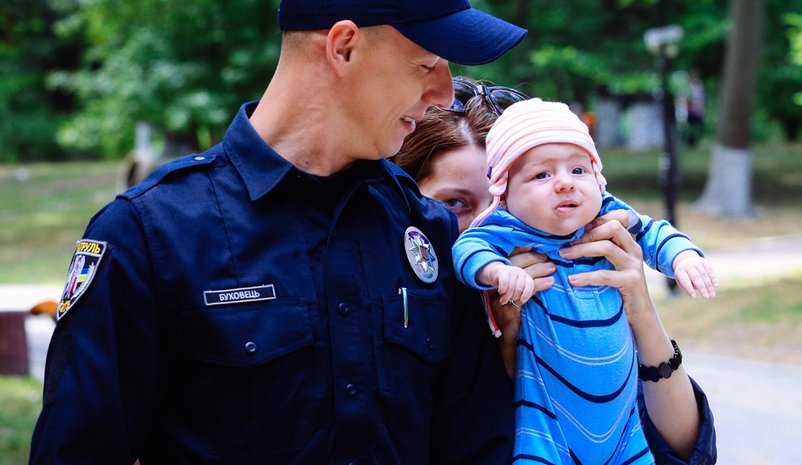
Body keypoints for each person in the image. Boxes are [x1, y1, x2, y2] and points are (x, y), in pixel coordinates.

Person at [29, 1, 528, 464]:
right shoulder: (148, 233)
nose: (443, 93)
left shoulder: (427, 228)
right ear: (343, 46)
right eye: (426, 65)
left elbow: (476, 445)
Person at [392, 79, 718, 465]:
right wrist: (507, 350)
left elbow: (683, 452)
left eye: (503, 203)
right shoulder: (405, 320)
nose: (489, 220)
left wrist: (643, 315)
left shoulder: (582, 260)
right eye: (456, 203)